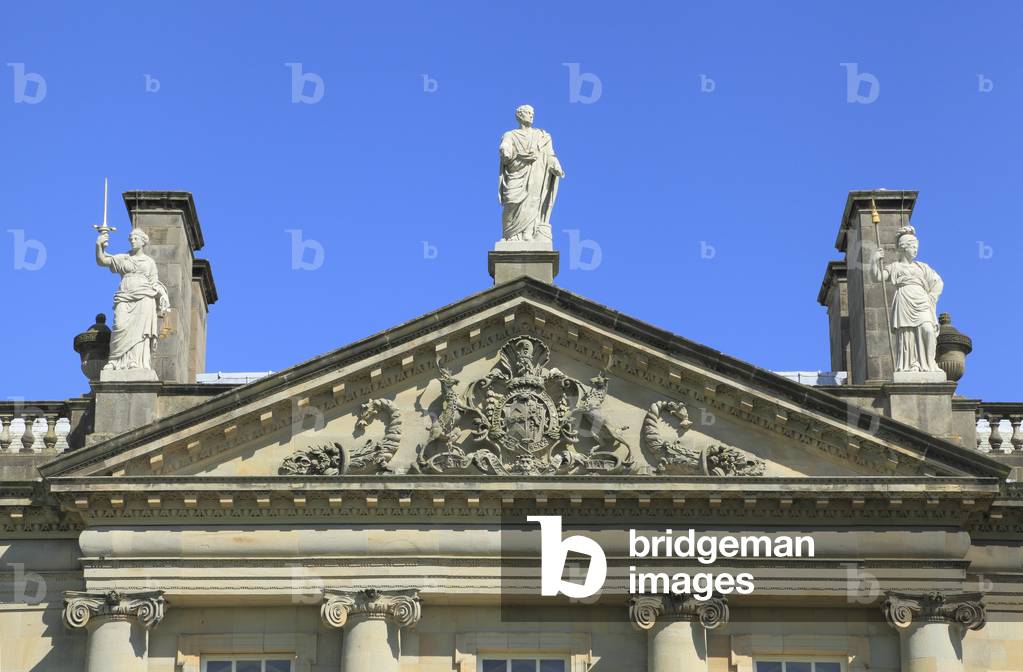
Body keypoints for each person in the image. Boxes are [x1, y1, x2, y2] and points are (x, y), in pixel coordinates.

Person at [95, 228, 170, 371]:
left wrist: (163, 294)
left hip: (144, 298)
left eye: (136, 238)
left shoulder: (149, 262)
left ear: (143, 242)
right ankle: (115, 360)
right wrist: (99, 245)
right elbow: (102, 260)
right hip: (124, 296)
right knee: (119, 325)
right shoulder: (123, 258)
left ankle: (135, 361)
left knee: (140, 332)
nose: (133, 241)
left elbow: (154, 282)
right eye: (131, 239)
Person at [873, 226, 943, 373]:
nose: (916, 250)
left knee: (928, 330)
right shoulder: (895, 267)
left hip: (922, 300)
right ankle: (912, 364)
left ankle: (929, 363)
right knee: (908, 335)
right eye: (913, 247)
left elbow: (938, 282)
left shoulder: (922, 267)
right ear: (904, 248)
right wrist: (875, 261)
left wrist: (931, 297)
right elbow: (878, 277)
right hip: (904, 299)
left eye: (916, 247)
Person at [498, 105, 565, 242]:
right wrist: (505, 150)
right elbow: (506, 145)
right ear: (519, 115)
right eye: (528, 113)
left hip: (536, 172)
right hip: (516, 171)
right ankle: (510, 234)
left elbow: (550, 154)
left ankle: (528, 233)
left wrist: (555, 164)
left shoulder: (542, 136)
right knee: (511, 201)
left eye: (532, 113)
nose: (531, 115)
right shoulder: (511, 134)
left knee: (533, 200)